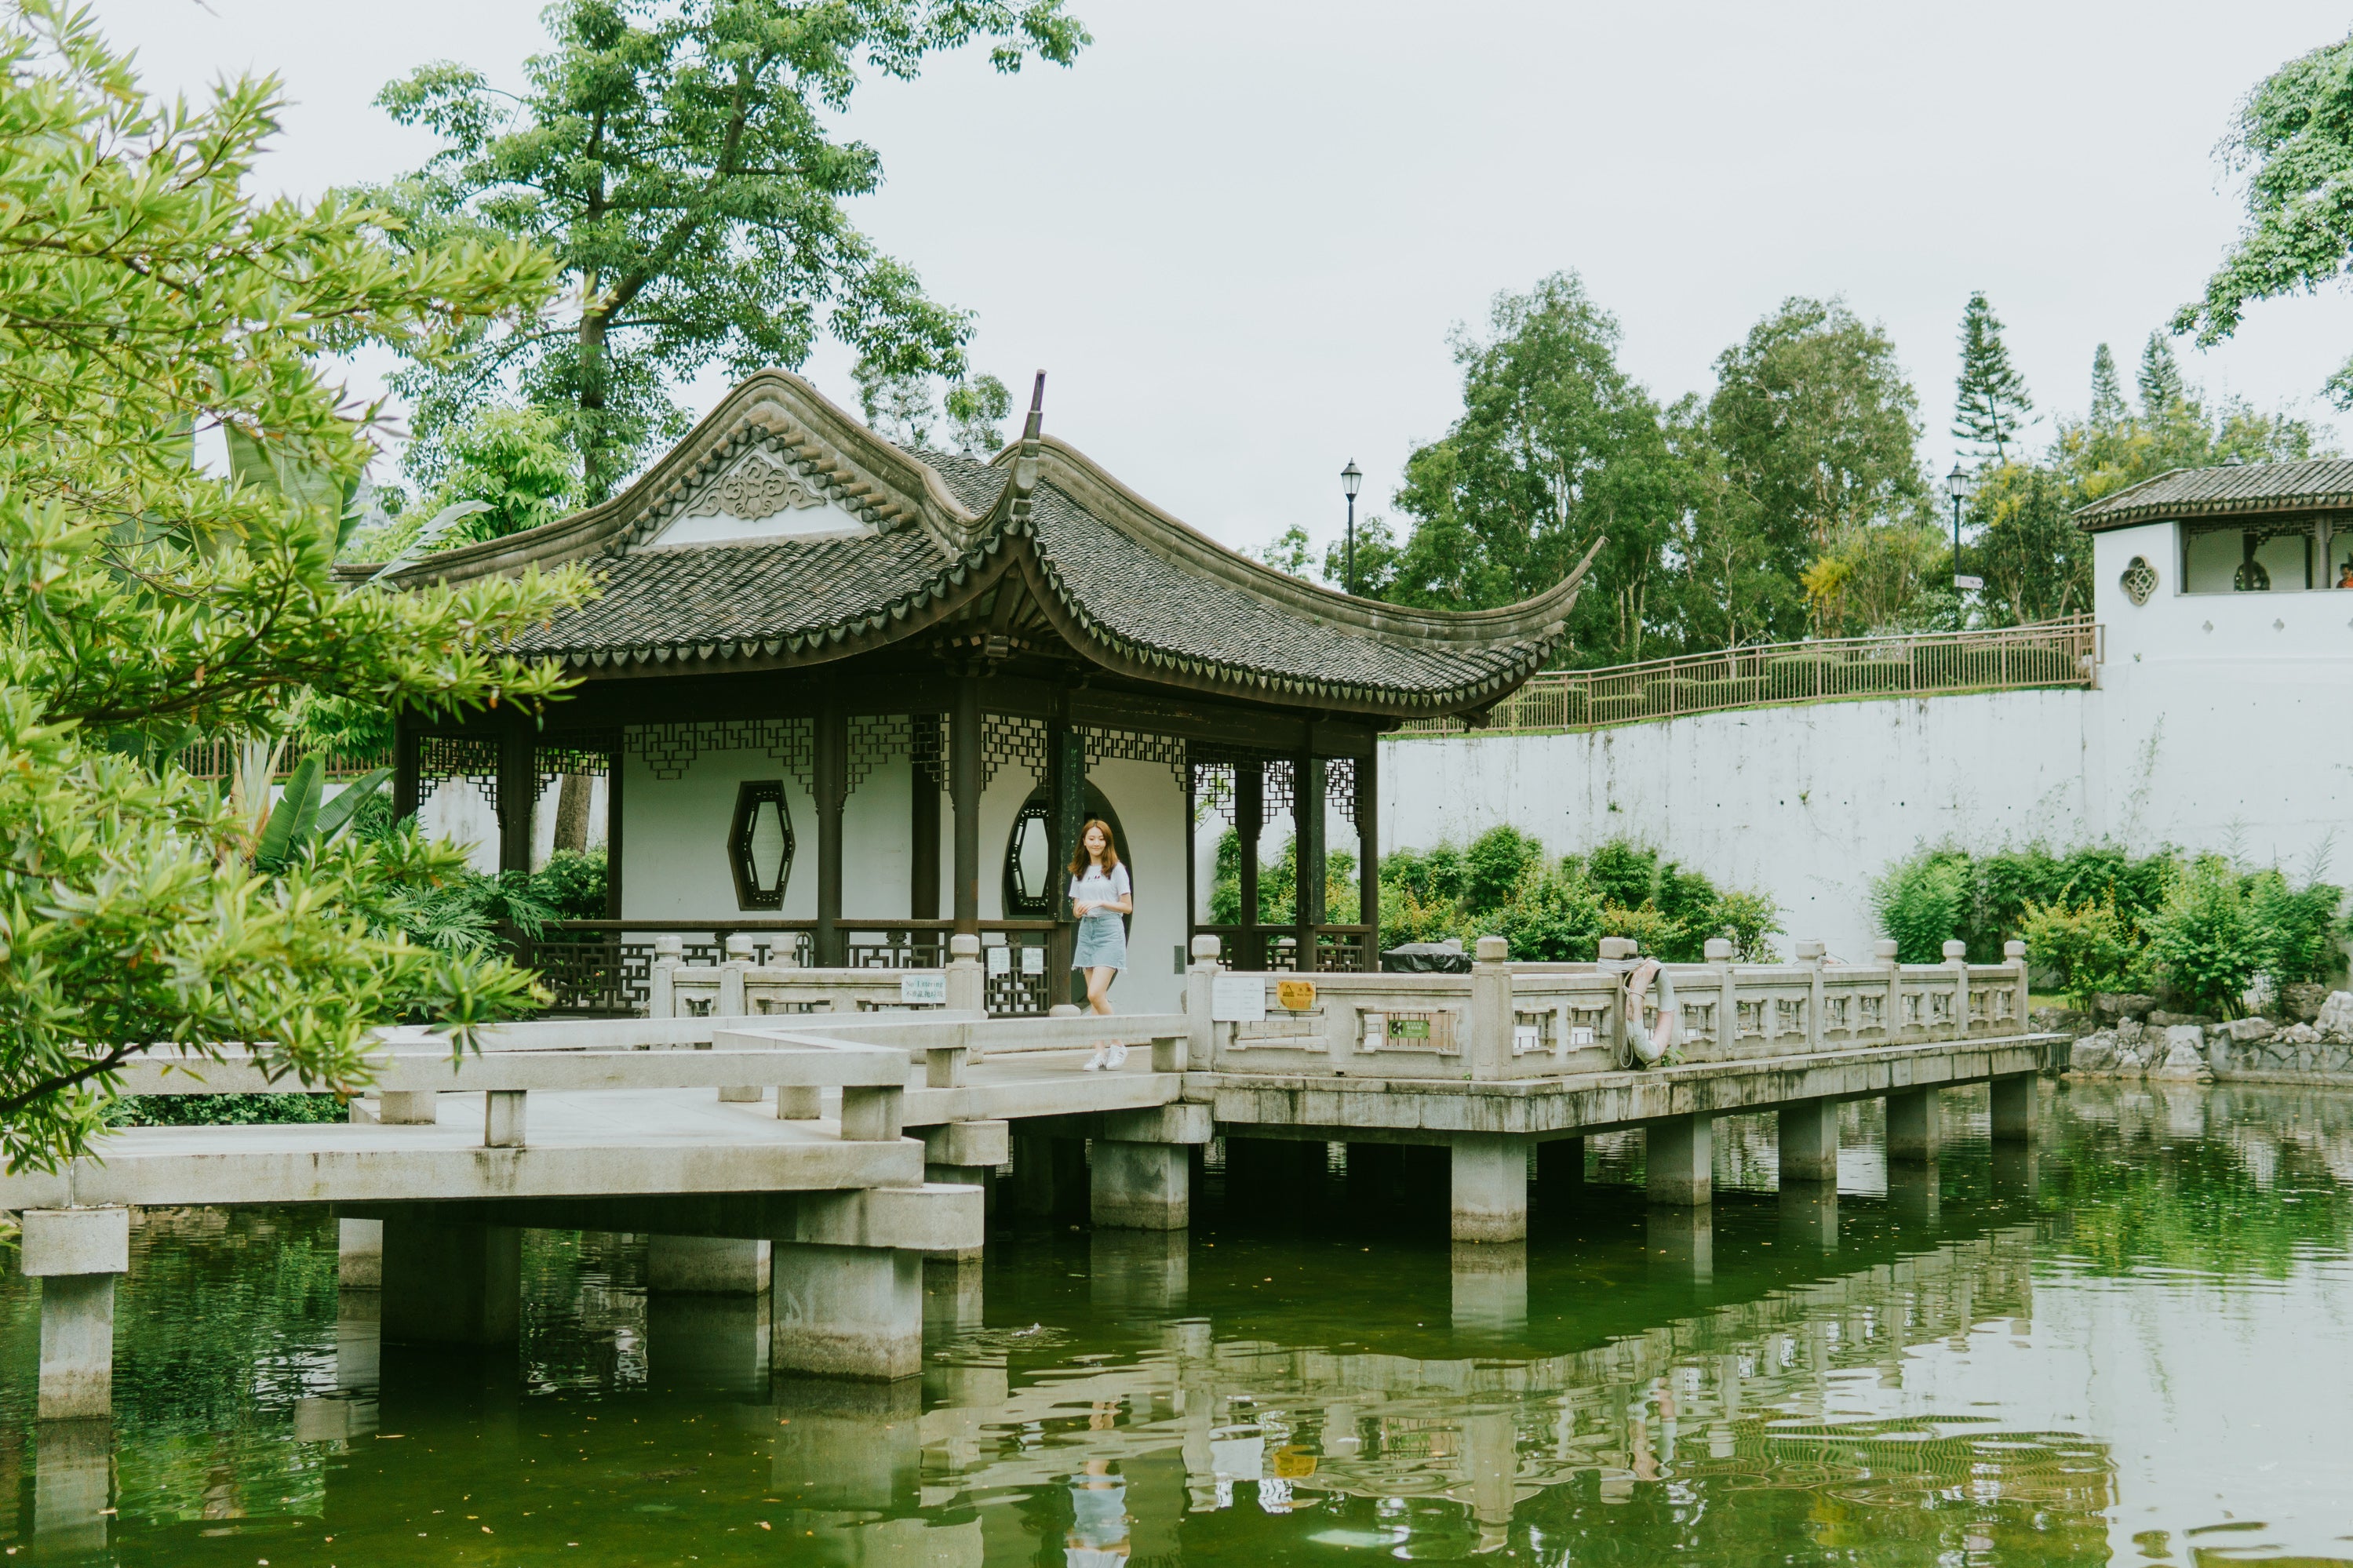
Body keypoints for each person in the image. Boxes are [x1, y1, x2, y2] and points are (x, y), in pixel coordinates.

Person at [1069, 819, 1132, 1054]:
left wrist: (1101, 902)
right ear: (1084, 842)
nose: (1096, 843)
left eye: (1101, 839)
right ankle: (1099, 1053)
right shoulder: (1079, 871)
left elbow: (1127, 907)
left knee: (1094, 993)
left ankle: (1118, 1043)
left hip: (1109, 931)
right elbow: (1076, 909)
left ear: (1107, 842)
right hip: (1087, 931)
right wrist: (1079, 910)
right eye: (1092, 838)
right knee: (1096, 999)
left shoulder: (1116, 869)